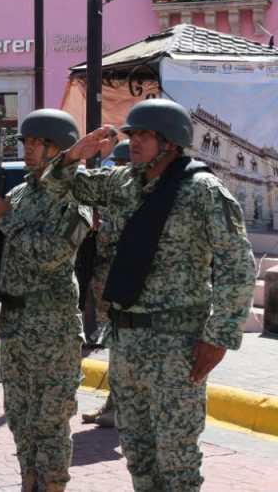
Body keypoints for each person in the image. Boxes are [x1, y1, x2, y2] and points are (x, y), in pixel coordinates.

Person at [49, 99, 255, 492]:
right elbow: (60, 184)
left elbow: (237, 265)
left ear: (171, 143)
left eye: (145, 135)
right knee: (138, 455)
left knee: (177, 461)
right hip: (126, 343)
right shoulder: (124, 182)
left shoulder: (201, 190)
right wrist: (77, 153)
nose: (135, 142)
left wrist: (219, 336)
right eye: (132, 134)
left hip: (177, 345)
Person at [0, 109, 90, 491]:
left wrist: (5, 220)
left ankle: (52, 485)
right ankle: (30, 481)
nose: (28, 149)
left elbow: (51, 254)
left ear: (60, 150)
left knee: (50, 420)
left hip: (53, 328)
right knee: (20, 415)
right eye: (25, 142)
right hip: (15, 323)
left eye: (37, 142)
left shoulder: (78, 197)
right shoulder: (19, 193)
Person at [81, 139, 129, 429]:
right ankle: (112, 404)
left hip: (123, 286)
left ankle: (119, 409)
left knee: (123, 352)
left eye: (123, 165)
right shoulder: (113, 197)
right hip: (106, 284)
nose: (119, 171)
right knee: (115, 348)